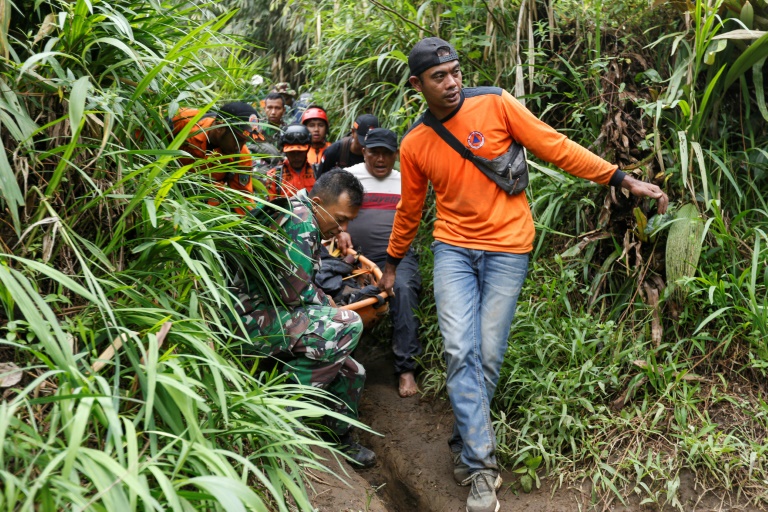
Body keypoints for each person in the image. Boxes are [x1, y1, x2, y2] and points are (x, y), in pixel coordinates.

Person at [377, 37, 669, 512]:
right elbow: (410, 209)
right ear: (417, 84)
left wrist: (620, 177)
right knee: (458, 349)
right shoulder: (415, 143)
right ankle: (483, 469)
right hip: (452, 249)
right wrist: (391, 263)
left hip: (509, 247)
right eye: (439, 77)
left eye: (455, 72)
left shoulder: (494, 103)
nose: (452, 83)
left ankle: (463, 442)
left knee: (486, 356)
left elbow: (556, 146)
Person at [234, 169, 376, 468]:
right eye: (339, 219)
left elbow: (298, 290)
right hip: (246, 321)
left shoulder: (296, 210)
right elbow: (292, 294)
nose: (342, 229)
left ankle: (341, 439)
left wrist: (325, 304)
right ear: (317, 201)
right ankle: (280, 415)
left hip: (270, 313)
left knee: (354, 370)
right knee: (349, 324)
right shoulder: (301, 224)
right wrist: (332, 308)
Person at [336, 128, 422, 398]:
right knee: (329, 292)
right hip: (354, 257)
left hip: (396, 257)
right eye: (375, 153)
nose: (381, 159)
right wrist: (340, 229)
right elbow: (326, 208)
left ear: (395, 155)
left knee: (405, 290)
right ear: (364, 152)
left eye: (387, 153)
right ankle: (335, 364)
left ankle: (406, 369)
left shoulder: (405, 180)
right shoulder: (349, 177)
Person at [169, 101, 263, 215]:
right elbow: (145, 139)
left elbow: (242, 198)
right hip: (166, 189)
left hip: (203, 209)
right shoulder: (182, 119)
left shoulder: (241, 156)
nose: (240, 146)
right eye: (238, 139)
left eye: (245, 141)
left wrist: (252, 222)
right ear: (220, 127)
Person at [264, 124, 316, 201]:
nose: (296, 157)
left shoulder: (317, 172)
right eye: (292, 152)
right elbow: (271, 206)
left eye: (300, 152)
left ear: (307, 150)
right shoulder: (274, 176)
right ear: (285, 152)